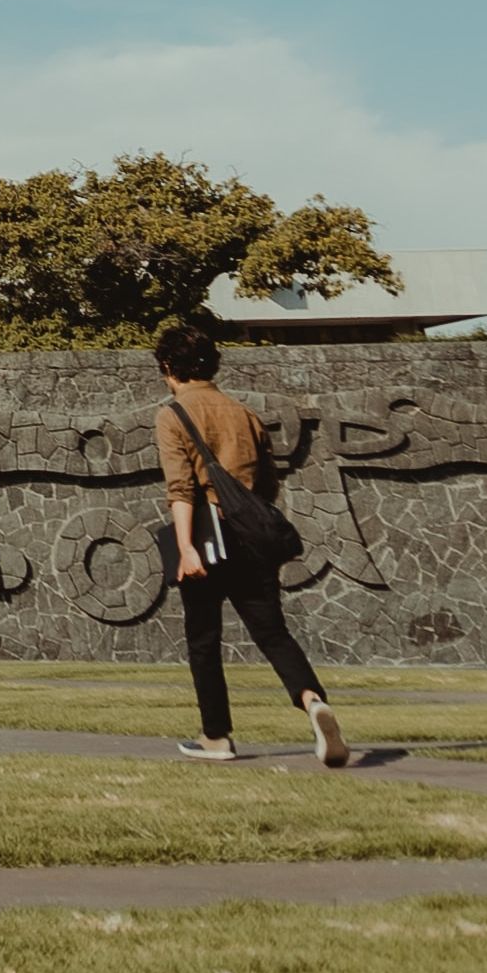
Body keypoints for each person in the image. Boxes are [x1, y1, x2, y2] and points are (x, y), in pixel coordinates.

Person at [156, 322, 348, 766]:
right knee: (272, 631)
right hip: (252, 537)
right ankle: (311, 699)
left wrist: (186, 548)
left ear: (169, 367)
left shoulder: (173, 414)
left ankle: (216, 737)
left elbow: (180, 488)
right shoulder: (244, 413)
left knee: (204, 638)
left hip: (207, 538)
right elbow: (267, 485)